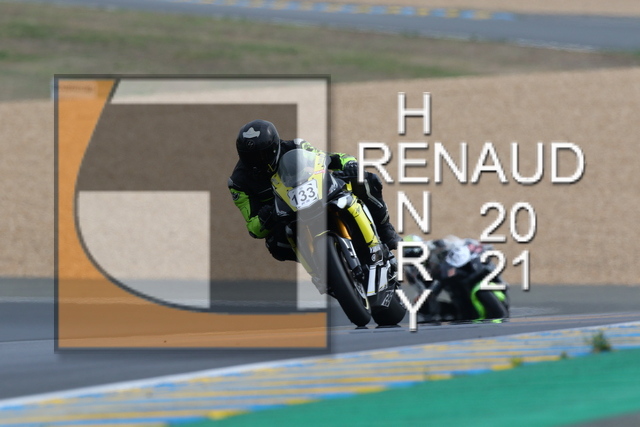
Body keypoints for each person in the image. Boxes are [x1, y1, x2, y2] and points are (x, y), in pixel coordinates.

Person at [228, 119, 401, 266]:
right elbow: (253, 228)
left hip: (320, 196)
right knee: (275, 245)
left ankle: (385, 231)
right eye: (250, 157)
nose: (257, 162)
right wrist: (264, 217)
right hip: (286, 217)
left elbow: (327, 157)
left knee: (367, 179)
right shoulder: (238, 183)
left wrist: (349, 163)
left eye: (262, 155)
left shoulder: (296, 146)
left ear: (275, 147)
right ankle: (321, 270)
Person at [401, 234, 509, 322]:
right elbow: (420, 289)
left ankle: (501, 283)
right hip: (447, 283)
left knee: (485, 265)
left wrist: (476, 247)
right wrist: (423, 298)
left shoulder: (437, 245)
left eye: (417, 251)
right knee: (422, 306)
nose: (414, 255)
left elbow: (460, 245)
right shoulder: (411, 272)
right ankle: (450, 315)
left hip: (461, 270)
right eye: (409, 254)